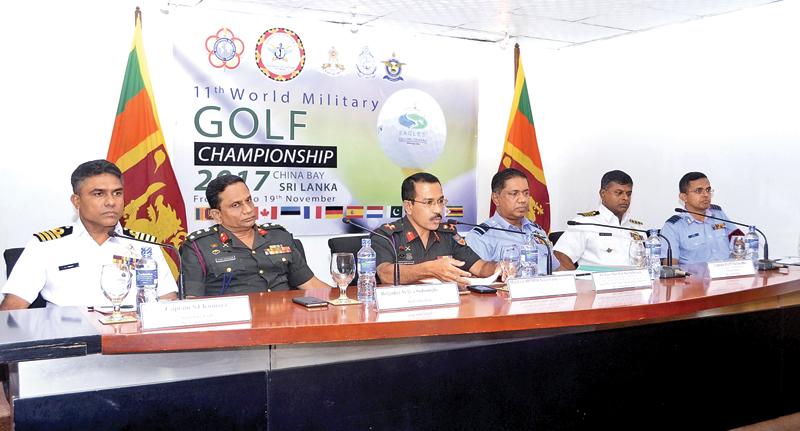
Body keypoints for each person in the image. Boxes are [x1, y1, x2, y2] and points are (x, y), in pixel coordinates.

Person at [0, 160, 178, 310]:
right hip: (71, 344)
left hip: (134, 343)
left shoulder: (145, 246)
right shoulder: (46, 245)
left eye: (117, 193)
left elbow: (168, 303)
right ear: (76, 201)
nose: (111, 202)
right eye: (98, 194)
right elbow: (13, 308)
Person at [180, 174, 330, 296]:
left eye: (249, 200)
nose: (248, 209)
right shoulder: (198, 247)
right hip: (236, 328)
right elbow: (193, 303)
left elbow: (311, 285)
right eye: (236, 205)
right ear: (217, 215)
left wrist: (346, 302)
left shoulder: (278, 236)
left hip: (284, 323)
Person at [372, 172, 498, 284]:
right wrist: (429, 270)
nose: (438, 210)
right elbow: (385, 274)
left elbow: (480, 267)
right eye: (428, 203)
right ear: (409, 206)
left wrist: (499, 268)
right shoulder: (387, 236)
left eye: (440, 201)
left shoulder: (448, 234)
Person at [467, 168, 559, 274]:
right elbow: (477, 282)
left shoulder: (537, 231)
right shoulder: (480, 237)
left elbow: (554, 269)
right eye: (514, 194)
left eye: (526, 193)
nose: (523, 200)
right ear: (496, 198)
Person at [554, 170, 646, 270]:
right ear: (603, 193)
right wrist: (578, 281)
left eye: (628, 194)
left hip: (636, 283)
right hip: (597, 284)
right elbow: (560, 256)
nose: (625, 198)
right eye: (619, 193)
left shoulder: (637, 227)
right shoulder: (584, 223)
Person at [660, 172, 738, 264]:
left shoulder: (719, 214)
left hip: (727, 274)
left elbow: (740, 241)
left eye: (708, 190)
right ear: (684, 197)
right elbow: (670, 268)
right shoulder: (673, 227)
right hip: (695, 277)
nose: (706, 194)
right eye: (698, 191)